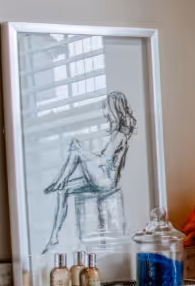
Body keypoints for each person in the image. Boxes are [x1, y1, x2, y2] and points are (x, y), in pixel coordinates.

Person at [43, 90, 137, 249]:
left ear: (114, 109)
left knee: (75, 150)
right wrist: (86, 155)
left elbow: (103, 160)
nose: (105, 113)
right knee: (63, 190)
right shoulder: (118, 133)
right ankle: (53, 237)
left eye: (107, 109)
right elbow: (102, 157)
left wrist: (84, 154)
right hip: (103, 176)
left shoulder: (120, 135)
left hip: (106, 181)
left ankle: (59, 181)